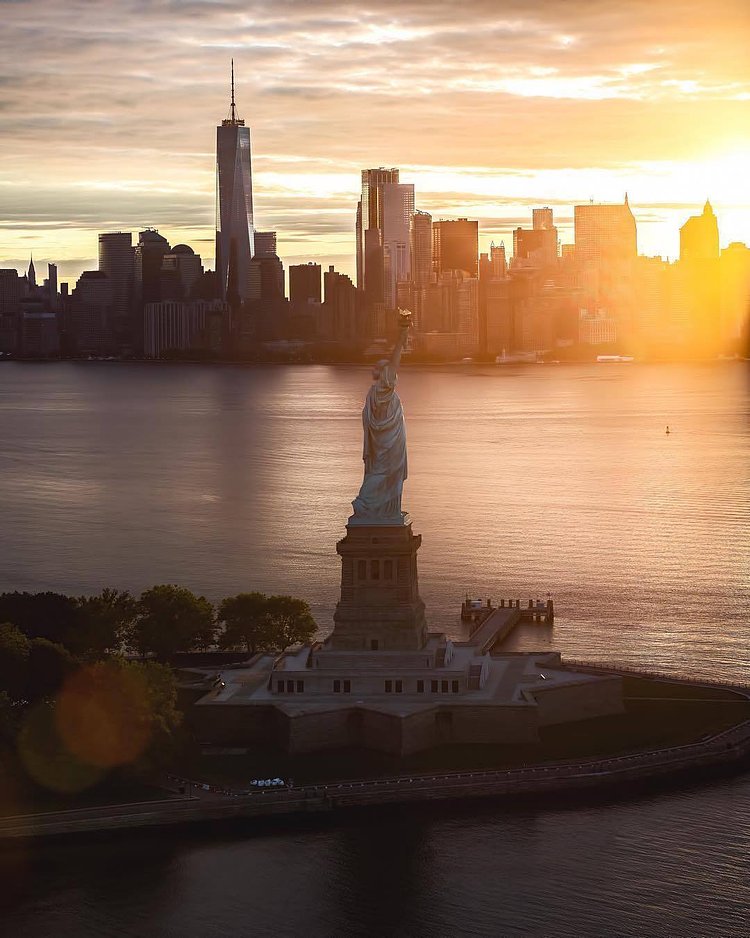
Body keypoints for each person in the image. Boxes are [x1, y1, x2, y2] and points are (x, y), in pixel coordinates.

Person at [351, 310, 411, 524]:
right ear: (385, 374)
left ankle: (385, 509)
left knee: (385, 474)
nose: (392, 373)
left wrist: (402, 337)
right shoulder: (380, 391)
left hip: (387, 443)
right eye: (388, 369)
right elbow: (394, 363)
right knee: (384, 473)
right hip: (389, 445)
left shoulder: (375, 394)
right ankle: (366, 504)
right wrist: (401, 336)